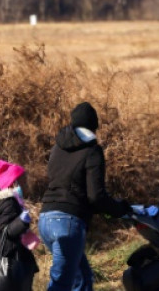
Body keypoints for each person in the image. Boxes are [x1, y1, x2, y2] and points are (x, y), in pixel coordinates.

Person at [39, 102, 133, 291]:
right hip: (68, 223)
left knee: (82, 280)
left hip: (45, 220)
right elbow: (96, 196)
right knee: (61, 285)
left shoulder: (58, 147)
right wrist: (120, 209)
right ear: (94, 127)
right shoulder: (92, 151)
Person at [0, 159, 39, 290]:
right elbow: (8, 230)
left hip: (12, 256)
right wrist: (23, 220)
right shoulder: (9, 203)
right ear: (14, 183)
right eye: (23, 180)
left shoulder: (10, 202)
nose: (26, 184)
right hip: (11, 257)